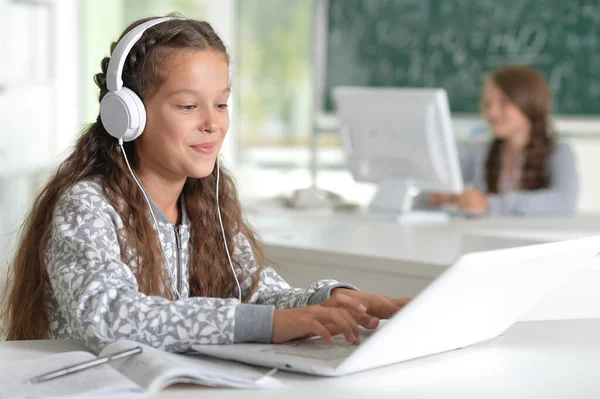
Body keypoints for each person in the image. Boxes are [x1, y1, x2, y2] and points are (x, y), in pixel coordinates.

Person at [0, 15, 409, 354]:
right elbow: (109, 317)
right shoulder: (88, 206)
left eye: (221, 103)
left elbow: (255, 294)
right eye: (188, 105)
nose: (212, 123)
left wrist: (330, 300)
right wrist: (269, 325)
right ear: (127, 116)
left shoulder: (206, 202)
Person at [430, 65, 578, 216]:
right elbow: (440, 182)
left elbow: (563, 202)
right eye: (488, 104)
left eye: (504, 103)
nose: (492, 113)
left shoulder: (559, 152)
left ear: (529, 104)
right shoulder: (481, 152)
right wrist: (439, 193)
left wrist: (489, 204)